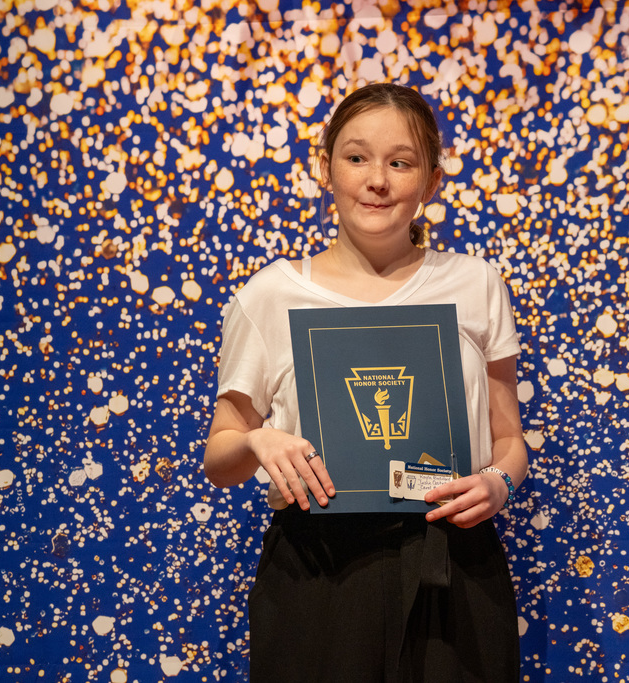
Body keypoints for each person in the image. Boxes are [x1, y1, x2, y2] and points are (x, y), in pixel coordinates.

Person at [203, 83, 527, 682]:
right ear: (323, 168)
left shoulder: (477, 284)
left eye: (400, 163)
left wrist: (499, 484)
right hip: (318, 571)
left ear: (431, 183)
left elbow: (509, 438)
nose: (377, 180)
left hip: (452, 561)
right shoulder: (270, 295)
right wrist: (256, 442)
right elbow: (220, 454)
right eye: (356, 157)